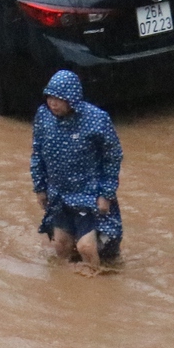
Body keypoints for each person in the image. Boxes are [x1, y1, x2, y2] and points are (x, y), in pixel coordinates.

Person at [31, 70, 123, 275]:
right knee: (61, 247)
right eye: (50, 97)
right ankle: (66, 286)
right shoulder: (43, 116)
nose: (53, 103)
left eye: (59, 99)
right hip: (58, 194)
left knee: (86, 247)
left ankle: (96, 282)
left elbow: (113, 157)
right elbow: (37, 153)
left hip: (87, 194)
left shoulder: (97, 120)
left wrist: (105, 194)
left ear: (72, 99)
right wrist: (40, 188)